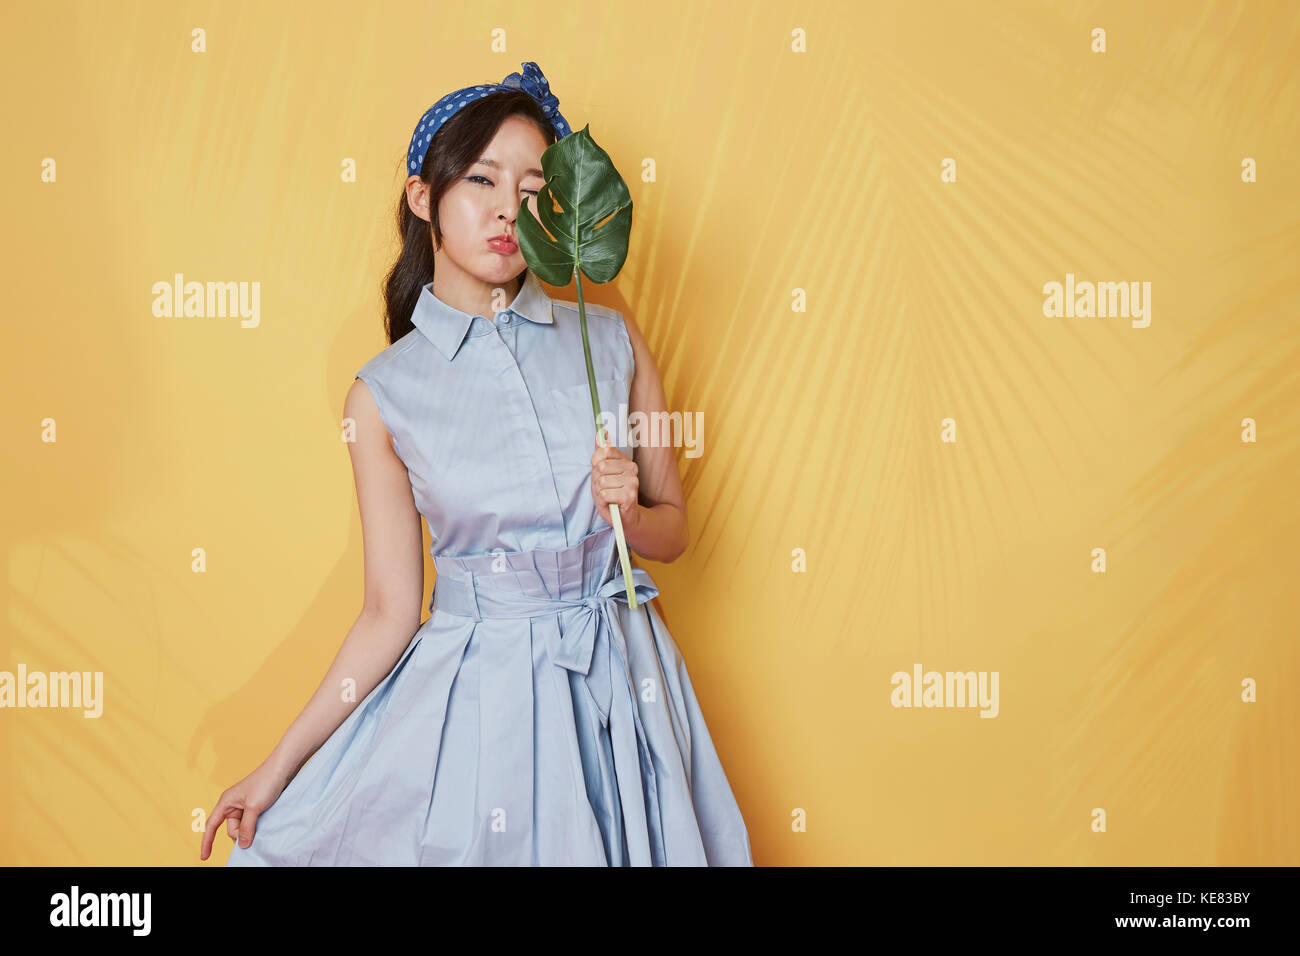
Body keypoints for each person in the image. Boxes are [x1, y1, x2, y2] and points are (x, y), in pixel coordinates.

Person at [201, 61, 753, 866]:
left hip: (626, 679)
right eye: (482, 180)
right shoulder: (384, 396)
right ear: (424, 198)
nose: (507, 209)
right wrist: (276, 769)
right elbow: (391, 611)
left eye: (531, 189)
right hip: (484, 703)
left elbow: (673, 533)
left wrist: (630, 514)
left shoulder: (611, 343)